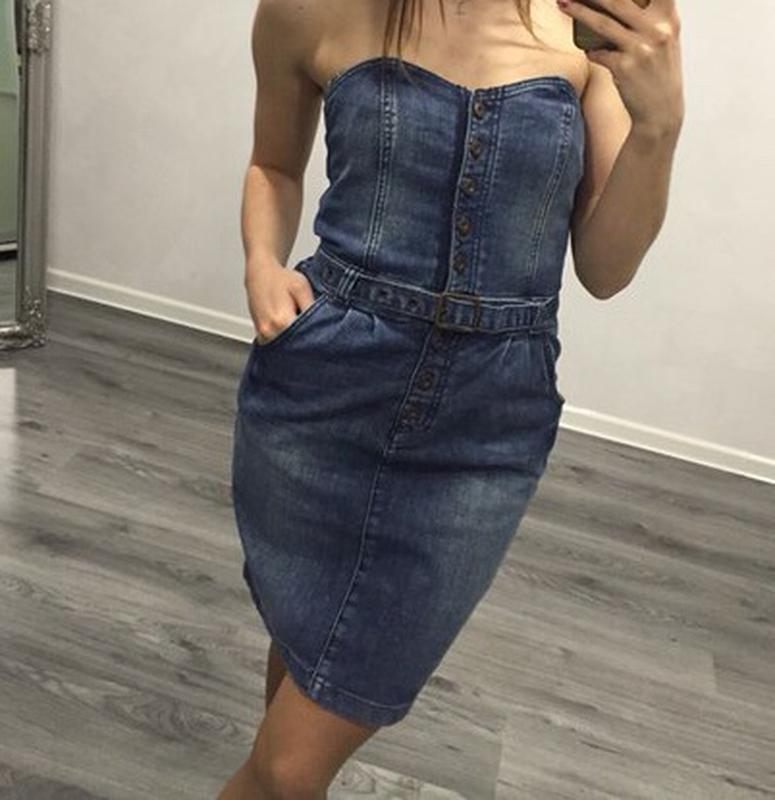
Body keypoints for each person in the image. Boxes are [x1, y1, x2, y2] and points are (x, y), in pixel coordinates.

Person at [218, 0, 684, 796]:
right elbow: (273, 164)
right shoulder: (310, 7)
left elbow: (605, 269)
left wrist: (658, 127)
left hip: (482, 433)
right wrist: (262, 263)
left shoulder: (585, 24)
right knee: (304, 669)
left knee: (291, 764)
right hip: (319, 395)